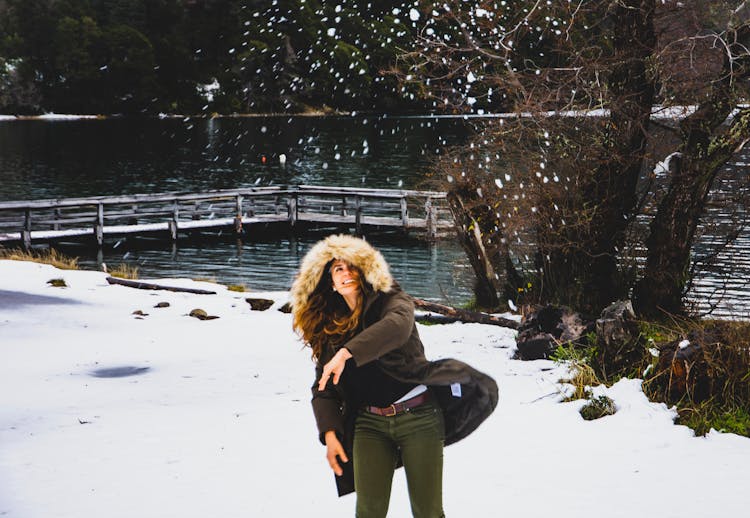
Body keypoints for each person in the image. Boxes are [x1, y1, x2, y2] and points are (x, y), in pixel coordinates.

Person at [291, 234, 498, 518]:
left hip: (419, 416)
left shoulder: (391, 298)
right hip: (368, 423)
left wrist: (348, 352)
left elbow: (398, 326)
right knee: (368, 512)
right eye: (338, 269)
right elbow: (323, 387)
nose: (346, 273)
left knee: (428, 512)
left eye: (352, 267)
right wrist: (329, 433)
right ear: (331, 282)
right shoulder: (331, 329)